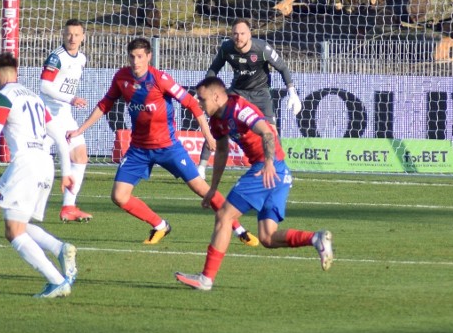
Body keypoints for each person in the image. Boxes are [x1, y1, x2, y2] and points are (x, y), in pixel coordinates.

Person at [66, 37, 258, 246]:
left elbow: (192, 104)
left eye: (140, 57)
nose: (136, 61)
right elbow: (105, 105)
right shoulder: (121, 78)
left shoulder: (161, 79)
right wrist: (80, 130)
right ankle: (160, 225)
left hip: (168, 147)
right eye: (132, 57)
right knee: (119, 196)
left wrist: (208, 135)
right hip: (138, 150)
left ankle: (240, 230)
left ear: (149, 56)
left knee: (202, 189)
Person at [175, 76, 333, 291]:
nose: (200, 104)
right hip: (279, 172)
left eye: (202, 99)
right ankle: (316, 238)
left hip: (267, 168)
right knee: (267, 237)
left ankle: (206, 279)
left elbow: (266, 132)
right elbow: (221, 151)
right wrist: (213, 188)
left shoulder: (238, 107)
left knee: (224, 216)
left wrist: (268, 163)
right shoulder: (216, 120)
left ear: (216, 96)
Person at [0, 52, 78, 299]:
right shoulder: (34, 97)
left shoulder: (4, 96)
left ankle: (56, 281)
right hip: (46, 164)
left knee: (13, 231)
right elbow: (62, 141)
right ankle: (60, 248)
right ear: (16, 72)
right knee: (20, 224)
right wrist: (66, 174)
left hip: (26, 165)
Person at [0, 19, 93, 222]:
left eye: (77, 34)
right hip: (48, 115)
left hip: (65, 114)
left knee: (80, 156)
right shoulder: (56, 57)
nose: (72, 38)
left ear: (83, 37)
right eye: (69, 34)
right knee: (30, 160)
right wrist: (71, 98)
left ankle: (68, 207)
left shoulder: (81, 58)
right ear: (63, 35)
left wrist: (69, 102)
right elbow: (45, 86)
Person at [196, 18, 302, 179]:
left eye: (242, 33)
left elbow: (282, 67)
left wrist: (292, 92)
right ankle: (201, 168)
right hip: (238, 92)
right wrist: (203, 90)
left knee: (271, 131)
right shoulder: (227, 48)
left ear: (250, 34)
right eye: (235, 34)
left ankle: (280, 169)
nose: (239, 37)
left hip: (261, 93)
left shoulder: (262, 48)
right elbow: (214, 69)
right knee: (218, 125)